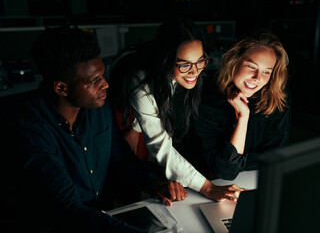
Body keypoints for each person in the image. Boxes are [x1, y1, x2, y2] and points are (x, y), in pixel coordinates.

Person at [0, 25, 188, 233]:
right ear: (61, 88)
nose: (106, 84)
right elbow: (68, 210)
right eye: (94, 80)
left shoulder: (96, 107)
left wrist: (155, 183)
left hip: (100, 218)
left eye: (102, 75)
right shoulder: (29, 131)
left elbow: (121, 159)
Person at [109, 18, 243, 202]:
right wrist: (207, 188)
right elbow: (161, 147)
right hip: (119, 114)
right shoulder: (141, 83)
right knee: (125, 183)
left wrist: (137, 127)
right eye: (185, 64)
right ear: (166, 60)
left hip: (139, 115)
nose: (195, 72)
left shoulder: (181, 72)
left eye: (200, 61)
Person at [179, 30, 291, 180]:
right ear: (235, 61)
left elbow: (274, 156)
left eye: (266, 72)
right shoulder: (205, 97)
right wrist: (243, 117)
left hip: (253, 180)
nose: (257, 78)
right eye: (252, 67)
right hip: (204, 184)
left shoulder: (277, 97)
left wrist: (237, 162)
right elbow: (225, 172)